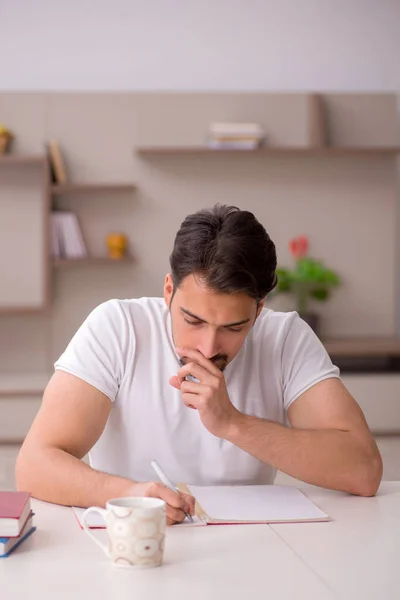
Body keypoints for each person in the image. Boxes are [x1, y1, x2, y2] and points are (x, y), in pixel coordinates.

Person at [16, 205, 382, 525]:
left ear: (258, 309)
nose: (208, 347)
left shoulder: (284, 337)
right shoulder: (118, 327)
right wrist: (133, 494)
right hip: (135, 543)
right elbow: (34, 465)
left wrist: (233, 423)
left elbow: (363, 471)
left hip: (252, 550)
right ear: (168, 291)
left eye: (233, 328)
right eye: (193, 321)